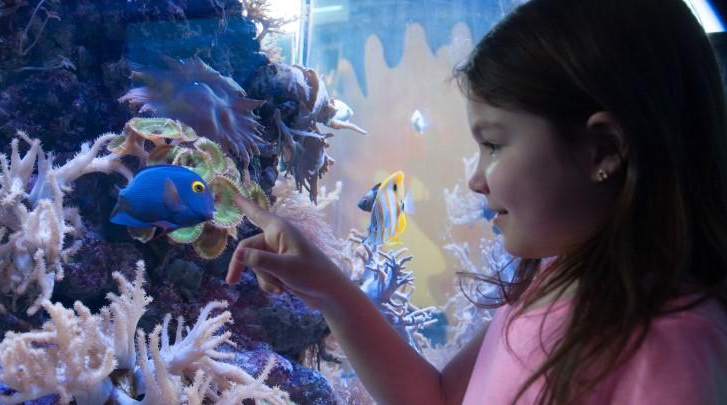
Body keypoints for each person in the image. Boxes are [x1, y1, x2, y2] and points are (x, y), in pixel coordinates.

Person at [226, 0, 727, 403]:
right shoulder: (552, 279)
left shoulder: (672, 347)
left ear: (603, 150)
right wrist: (328, 288)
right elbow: (437, 397)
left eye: (493, 144)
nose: (476, 179)